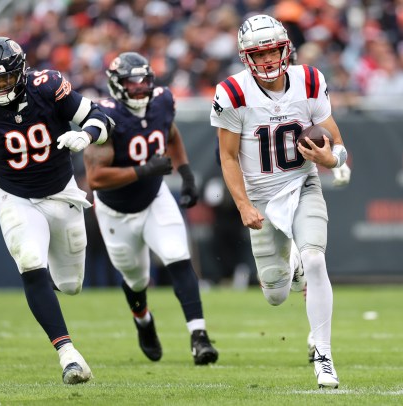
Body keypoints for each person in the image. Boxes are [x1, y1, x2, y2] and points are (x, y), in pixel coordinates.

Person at [0, 37, 113, 384]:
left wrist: (87, 136)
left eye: (5, 79)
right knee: (31, 263)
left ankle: (51, 292)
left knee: (70, 284)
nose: (0, 87)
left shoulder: (47, 87)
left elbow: (101, 117)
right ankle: (69, 356)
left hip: (62, 193)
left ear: (20, 72)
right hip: (15, 196)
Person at [210, 15, 351, 388]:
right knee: (274, 292)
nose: (269, 59)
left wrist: (331, 160)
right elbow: (227, 156)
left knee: (317, 258)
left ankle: (323, 355)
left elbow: (336, 141)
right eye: (260, 53)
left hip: (301, 184)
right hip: (262, 198)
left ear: (285, 47)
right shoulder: (233, 93)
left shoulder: (308, 80)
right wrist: (242, 204)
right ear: (245, 57)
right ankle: (294, 265)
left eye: (273, 49)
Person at [83, 52, 219, 365]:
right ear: (117, 86)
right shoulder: (105, 116)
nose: (140, 87)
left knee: (178, 257)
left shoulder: (161, 101)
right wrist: (144, 169)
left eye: (145, 79)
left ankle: (199, 337)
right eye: (132, 82)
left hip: (154, 198)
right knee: (136, 281)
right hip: (116, 211)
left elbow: (169, 132)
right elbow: (96, 177)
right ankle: (143, 321)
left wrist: (185, 174)